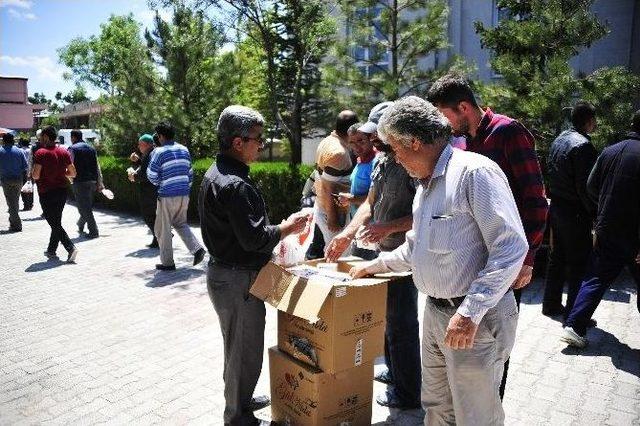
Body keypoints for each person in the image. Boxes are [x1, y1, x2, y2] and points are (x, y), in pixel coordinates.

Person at [349, 97, 528, 425]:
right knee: (436, 407)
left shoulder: (475, 173)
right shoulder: (425, 186)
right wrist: (373, 266)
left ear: (413, 142)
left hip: (474, 320)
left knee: (475, 416)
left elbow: (510, 248)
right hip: (436, 313)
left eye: (397, 151)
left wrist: (470, 312)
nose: (397, 161)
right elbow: (415, 248)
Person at [427, 74, 548, 398]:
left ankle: (490, 410)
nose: (443, 123)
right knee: (474, 349)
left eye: (444, 114)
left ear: (463, 107)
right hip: (474, 265)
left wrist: (527, 260)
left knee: (495, 349)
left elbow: (536, 202)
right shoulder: (467, 142)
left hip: (507, 263)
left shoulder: (508, 133)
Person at [198, 105, 309, 425]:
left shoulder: (218, 172)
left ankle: (241, 398)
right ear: (237, 141)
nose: (261, 145)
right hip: (237, 280)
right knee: (242, 352)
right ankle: (237, 416)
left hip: (229, 275)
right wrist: (289, 226)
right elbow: (255, 239)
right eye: (257, 139)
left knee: (239, 348)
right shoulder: (235, 184)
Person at [326, 101, 421, 410]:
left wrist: (387, 227)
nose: (374, 140)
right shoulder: (381, 161)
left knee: (402, 325)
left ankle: (408, 394)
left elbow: (425, 214)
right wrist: (345, 234)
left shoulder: (414, 164)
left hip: (403, 258)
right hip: (379, 254)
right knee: (386, 321)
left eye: (379, 134)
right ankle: (395, 375)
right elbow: (368, 204)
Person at [561, 110, 640, 348]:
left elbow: (591, 187)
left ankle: (574, 327)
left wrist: (606, 207)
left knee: (596, 278)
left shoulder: (609, 151)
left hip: (607, 227)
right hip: (635, 235)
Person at [543, 102, 598, 318]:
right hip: (575, 211)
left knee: (557, 257)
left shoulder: (560, 139)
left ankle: (550, 304)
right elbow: (586, 187)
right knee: (578, 263)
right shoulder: (583, 146)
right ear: (589, 120)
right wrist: (594, 214)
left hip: (557, 207)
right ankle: (575, 314)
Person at [147, 121, 205, 270]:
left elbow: (152, 175)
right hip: (184, 193)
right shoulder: (184, 149)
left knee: (162, 229)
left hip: (166, 194)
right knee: (180, 223)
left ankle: (168, 263)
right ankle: (197, 249)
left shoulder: (159, 152)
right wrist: (185, 187)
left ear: (160, 136)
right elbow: (190, 173)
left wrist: (161, 182)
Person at [32, 126, 78, 262]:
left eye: (41, 137)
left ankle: (70, 248)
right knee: (56, 221)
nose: (40, 139)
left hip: (46, 192)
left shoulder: (40, 153)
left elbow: (35, 175)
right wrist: (61, 173)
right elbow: (73, 173)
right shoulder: (64, 151)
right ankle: (51, 250)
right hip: (62, 191)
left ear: (46, 137)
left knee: (53, 222)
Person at [313, 110, 359, 245]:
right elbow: (327, 187)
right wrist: (332, 219)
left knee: (330, 253)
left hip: (326, 207)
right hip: (333, 212)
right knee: (338, 256)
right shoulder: (338, 153)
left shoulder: (328, 140)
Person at [68, 129, 103, 238]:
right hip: (92, 181)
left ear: (73, 137)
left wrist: (69, 178)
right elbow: (97, 166)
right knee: (85, 205)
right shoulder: (91, 148)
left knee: (84, 207)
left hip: (79, 181)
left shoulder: (72, 149)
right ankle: (80, 224)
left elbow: (69, 165)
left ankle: (94, 231)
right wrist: (100, 181)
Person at [128, 134, 158, 248]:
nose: (138, 147)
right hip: (151, 190)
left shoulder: (150, 154)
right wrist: (137, 161)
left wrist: (133, 177)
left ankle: (162, 236)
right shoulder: (149, 153)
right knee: (152, 215)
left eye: (140, 144)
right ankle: (158, 238)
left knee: (148, 215)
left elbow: (145, 173)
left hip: (149, 190)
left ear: (146, 144)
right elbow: (145, 168)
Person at [0, 133, 28, 232]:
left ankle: (17, 224)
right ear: (13, 141)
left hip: (6, 180)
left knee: (11, 203)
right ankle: (12, 222)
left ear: (3, 140)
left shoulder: (0, 151)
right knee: (14, 201)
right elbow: (25, 167)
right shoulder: (19, 151)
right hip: (18, 179)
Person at [18, 138, 33, 211]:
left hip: (22, 171)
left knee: (23, 188)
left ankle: (26, 204)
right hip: (31, 171)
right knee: (30, 187)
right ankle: (30, 203)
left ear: (21, 144)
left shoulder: (20, 151)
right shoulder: (31, 150)